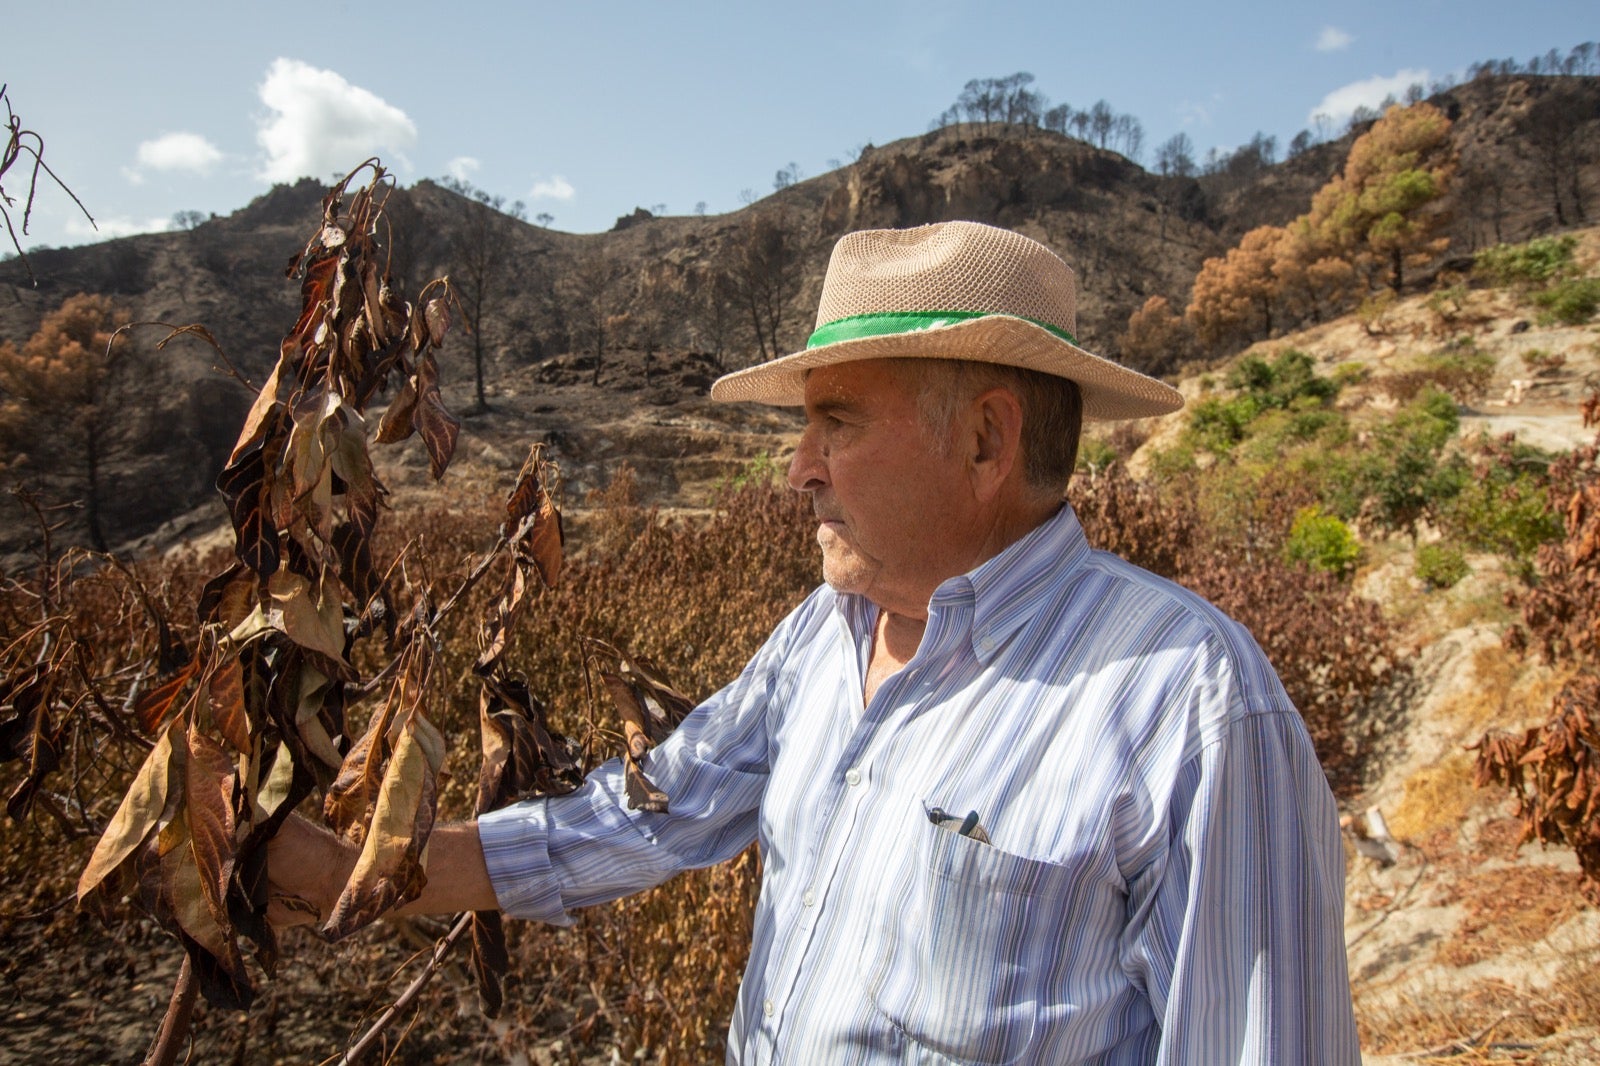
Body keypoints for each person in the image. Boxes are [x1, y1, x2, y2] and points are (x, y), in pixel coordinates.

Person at [271, 220, 1361, 1063]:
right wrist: (358, 876)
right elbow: (644, 818)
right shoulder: (823, 637)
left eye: (834, 422)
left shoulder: (1190, 705)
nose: (796, 468)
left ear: (986, 439)